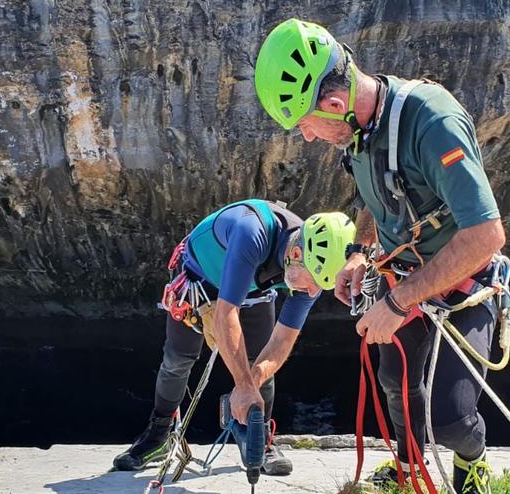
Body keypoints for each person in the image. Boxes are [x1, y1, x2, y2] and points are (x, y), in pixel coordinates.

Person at [253, 19, 507, 494]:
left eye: (304, 124)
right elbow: (375, 196)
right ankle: (410, 465)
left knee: (452, 417)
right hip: (400, 277)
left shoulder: (430, 121)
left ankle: (471, 464)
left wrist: (395, 303)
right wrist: (359, 254)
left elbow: (485, 235)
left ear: (331, 104)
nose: (305, 136)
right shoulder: (359, 134)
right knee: (396, 385)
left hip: (464, 284)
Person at [113, 199, 356, 477]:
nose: (313, 293)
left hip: (255, 288)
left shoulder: (313, 271)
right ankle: (158, 435)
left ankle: (258, 437)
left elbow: (283, 339)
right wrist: (241, 385)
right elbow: (225, 315)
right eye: (313, 282)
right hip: (199, 278)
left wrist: (251, 383)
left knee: (259, 363)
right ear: (296, 253)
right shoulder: (251, 232)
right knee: (178, 360)